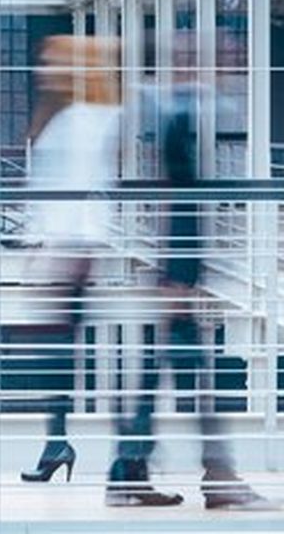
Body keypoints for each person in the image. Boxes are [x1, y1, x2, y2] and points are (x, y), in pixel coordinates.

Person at [104, 83, 276, 510]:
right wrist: (179, 279)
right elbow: (178, 198)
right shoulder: (177, 115)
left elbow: (176, 197)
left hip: (177, 276)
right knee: (191, 381)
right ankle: (212, 476)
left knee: (166, 378)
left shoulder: (177, 110)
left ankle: (133, 471)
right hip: (177, 279)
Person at [21, 36, 121, 483]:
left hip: (68, 250)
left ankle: (61, 444)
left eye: (50, 63)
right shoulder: (67, 114)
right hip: (61, 248)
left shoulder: (86, 118)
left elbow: (83, 190)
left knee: (56, 353)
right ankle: (56, 443)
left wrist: (61, 250)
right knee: (55, 354)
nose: (41, 71)